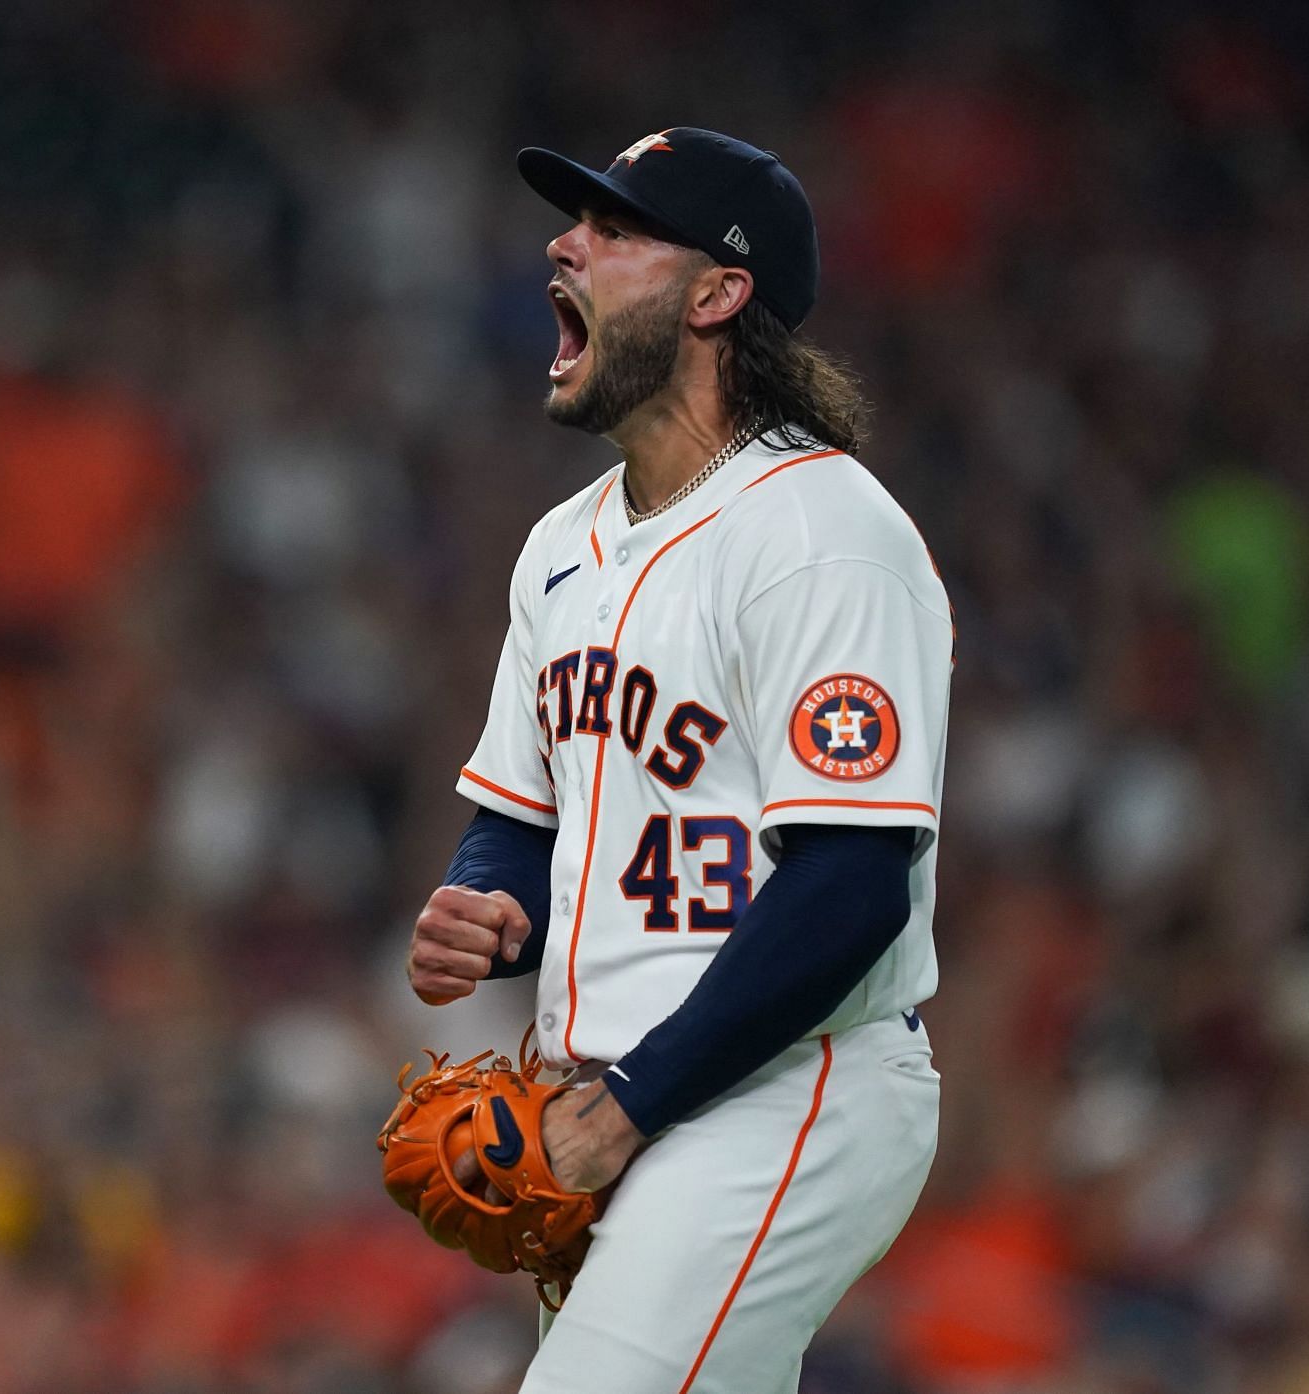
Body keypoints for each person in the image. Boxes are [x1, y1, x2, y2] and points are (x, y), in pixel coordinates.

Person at [405, 128, 952, 1392]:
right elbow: (523, 818)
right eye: (574, 221)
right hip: (622, 1096)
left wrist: (632, 1102)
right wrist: (493, 903)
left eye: (615, 228)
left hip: (783, 1088)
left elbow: (853, 883)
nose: (565, 242)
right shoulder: (560, 544)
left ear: (718, 294)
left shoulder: (820, 531)